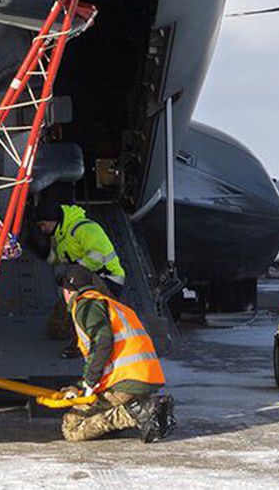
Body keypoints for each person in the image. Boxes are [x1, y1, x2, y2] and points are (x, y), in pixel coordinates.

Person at [56, 265, 175, 443]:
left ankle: (136, 413)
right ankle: (140, 407)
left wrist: (89, 382)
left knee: (72, 427)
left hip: (125, 382)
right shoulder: (108, 303)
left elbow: (103, 341)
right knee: (93, 416)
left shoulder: (86, 306)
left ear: (68, 291)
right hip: (142, 377)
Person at [32, 189, 126, 352]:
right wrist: (44, 253)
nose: (42, 229)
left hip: (108, 279)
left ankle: (83, 343)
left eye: (43, 224)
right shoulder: (60, 234)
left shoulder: (84, 228)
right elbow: (61, 259)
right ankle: (68, 330)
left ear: (53, 220)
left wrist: (72, 273)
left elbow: (98, 257)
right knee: (57, 324)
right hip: (82, 278)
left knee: (79, 301)